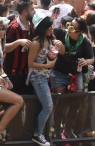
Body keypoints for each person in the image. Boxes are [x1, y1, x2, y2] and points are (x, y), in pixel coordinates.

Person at [28, 10, 62, 146]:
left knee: (42, 106)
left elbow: (63, 52)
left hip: (48, 77)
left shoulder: (51, 39)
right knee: (48, 107)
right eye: (49, 27)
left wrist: (59, 47)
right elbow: (30, 63)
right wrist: (48, 65)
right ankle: (38, 135)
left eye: (52, 26)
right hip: (38, 78)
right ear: (42, 28)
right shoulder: (36, 43)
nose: (51, 29)